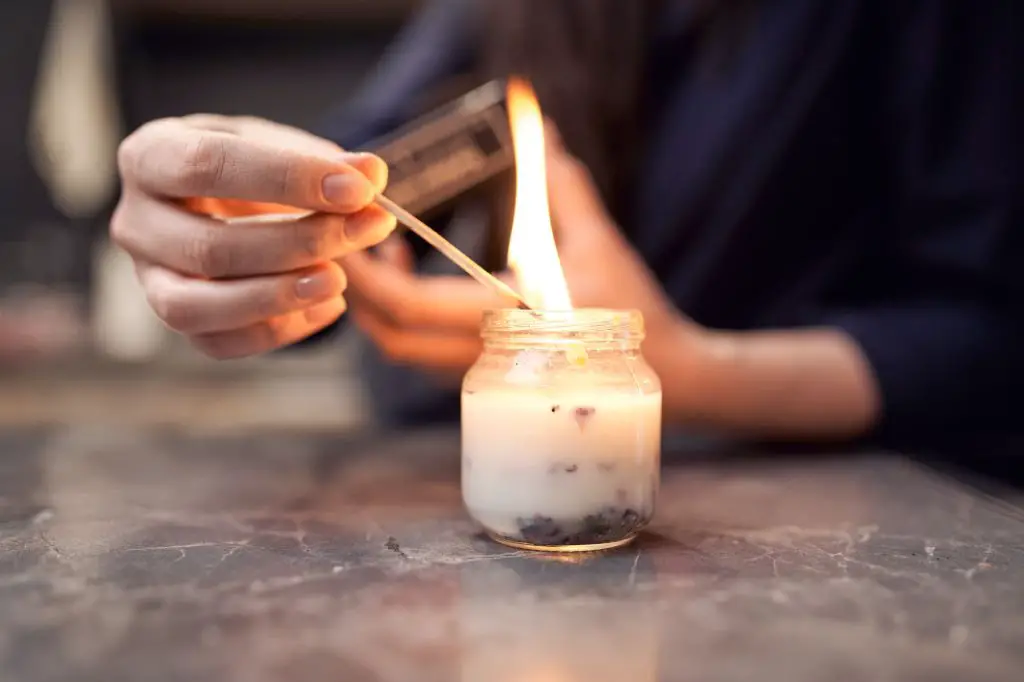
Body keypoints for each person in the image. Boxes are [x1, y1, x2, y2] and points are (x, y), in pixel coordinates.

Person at [111, 0, 1024, 451]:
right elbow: (368, 167)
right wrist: (239, 222)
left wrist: (692, 368)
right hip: (430, 504)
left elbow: (991, 342)